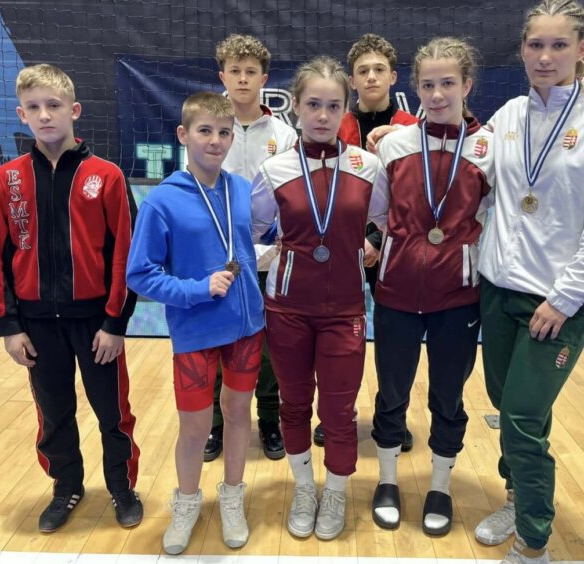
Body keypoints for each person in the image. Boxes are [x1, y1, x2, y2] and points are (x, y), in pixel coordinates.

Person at [474, 2, 584, 563]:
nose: (545, 57)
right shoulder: (508, 115)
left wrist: (567, 298)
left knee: (522, 417)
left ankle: (533, 543)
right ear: (522, 49)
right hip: (498, 289)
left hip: (555, 301)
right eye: (536, 45)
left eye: (558, 45)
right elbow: (471, 170)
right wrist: (400, 139)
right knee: (506, 404)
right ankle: (516, 497)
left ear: (582, 49)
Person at [0, 64, 142, 533]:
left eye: (53, 105)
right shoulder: (7, 180)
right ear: (21, 114)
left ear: (74, 110)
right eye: (33, 107)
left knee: (112, 413)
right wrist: (10, 326)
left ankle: (122, 488)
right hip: (37, 326)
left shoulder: (107, 176)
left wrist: (115, 323)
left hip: (96, 324)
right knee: (53, 414)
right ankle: (66, 487)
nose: (44, 115)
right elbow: (0, 256)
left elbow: (126, 255)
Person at [251, 56, 389, 541]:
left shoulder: (368, 167)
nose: (323, 115)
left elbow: (386, 221)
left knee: (338, 412)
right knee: (293, 404)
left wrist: (372, 243)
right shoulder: (275, 169)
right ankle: (305, 488)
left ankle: (335, 491)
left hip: (345, 309)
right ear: (296, 107)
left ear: (346, 107)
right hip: (287, 308)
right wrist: (273, 256)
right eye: (313, 104)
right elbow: (249, 231)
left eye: (333, 105)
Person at [127, 92, 264, 554]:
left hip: (246, 328)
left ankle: (232, 496)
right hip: (195, 332)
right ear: (183, 135)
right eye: (205, 131)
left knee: (239, 413)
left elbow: (261, 238)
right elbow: (140, 274)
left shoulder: (243, 190)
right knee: (194, 427)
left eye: (224, 132)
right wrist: (196, 289)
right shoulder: (162, 201)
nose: (215, 140)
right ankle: (186, 502)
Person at [369, 38, 493, 536]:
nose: (437, 94)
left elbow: (495, 215)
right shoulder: (395, 145)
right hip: (396, 292)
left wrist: (459, 254)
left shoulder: (488, 150)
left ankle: (440, 486)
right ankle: (387, 481)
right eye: (427, 84)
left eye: (448, 83)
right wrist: (403, 246)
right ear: (415, 89)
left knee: (448, 396)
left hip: (457, 297)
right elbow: (379, 212)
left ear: (467, 85)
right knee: (391, 392)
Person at [190, 34, 296, 463]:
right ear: (222, 76)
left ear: (265, 79)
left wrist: (284, 239)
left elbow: (292, 194)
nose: (243, 79)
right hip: (219, 257)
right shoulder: (208, 129)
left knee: (269, 346)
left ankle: (268, 420)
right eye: (234, 71)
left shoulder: (284, 134)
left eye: (251, 71)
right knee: (218, 340)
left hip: (270, 257)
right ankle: (216, 424)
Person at [313, 32, 418, 451]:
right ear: (352, 80)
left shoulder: (413, 128)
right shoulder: (334, 124)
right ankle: (334, 414)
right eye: (363, 71)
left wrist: (376, 238)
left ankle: (393, 418)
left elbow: (417, 196)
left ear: (393, 76)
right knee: (336, 338)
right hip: (339, 249)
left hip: (396, 250)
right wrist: (357, 241)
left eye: (379, 69)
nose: (371, 77)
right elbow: (322, 190)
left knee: (396, 341)